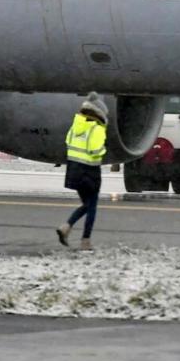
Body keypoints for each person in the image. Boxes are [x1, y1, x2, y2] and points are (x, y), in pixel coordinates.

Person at [56, 92, 108, 251]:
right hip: (90, 171)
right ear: (100, 112)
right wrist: (103, 150)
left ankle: (68, 228)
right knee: (91, 207)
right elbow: (95, 151)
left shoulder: (76, 125)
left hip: (74, 170)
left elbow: (68, 143)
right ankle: (84, 239)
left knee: (87, 204)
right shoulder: (97, 128)